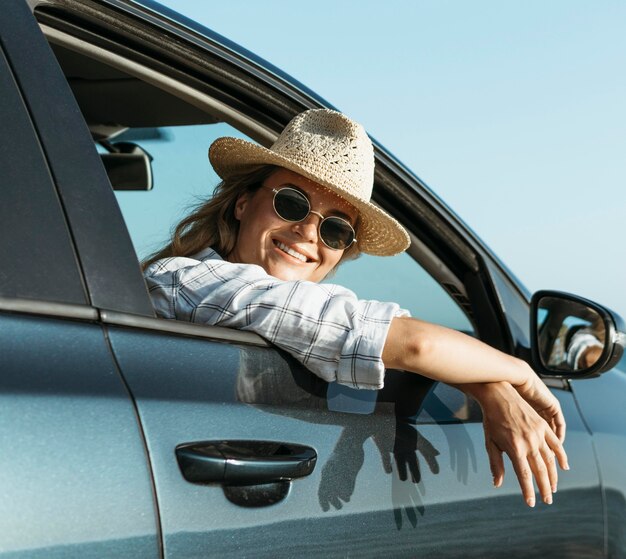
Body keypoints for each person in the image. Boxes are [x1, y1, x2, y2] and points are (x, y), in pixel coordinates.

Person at [144, 108, 568, 508]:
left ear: (341, 252)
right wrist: (519, 374)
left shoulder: (265, 309)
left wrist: (486, 386)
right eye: (290, 203)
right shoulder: (192, 282)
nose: (309, 231)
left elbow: (384, 340)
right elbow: (410, 345)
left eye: (335, 229)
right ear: (242, 203)